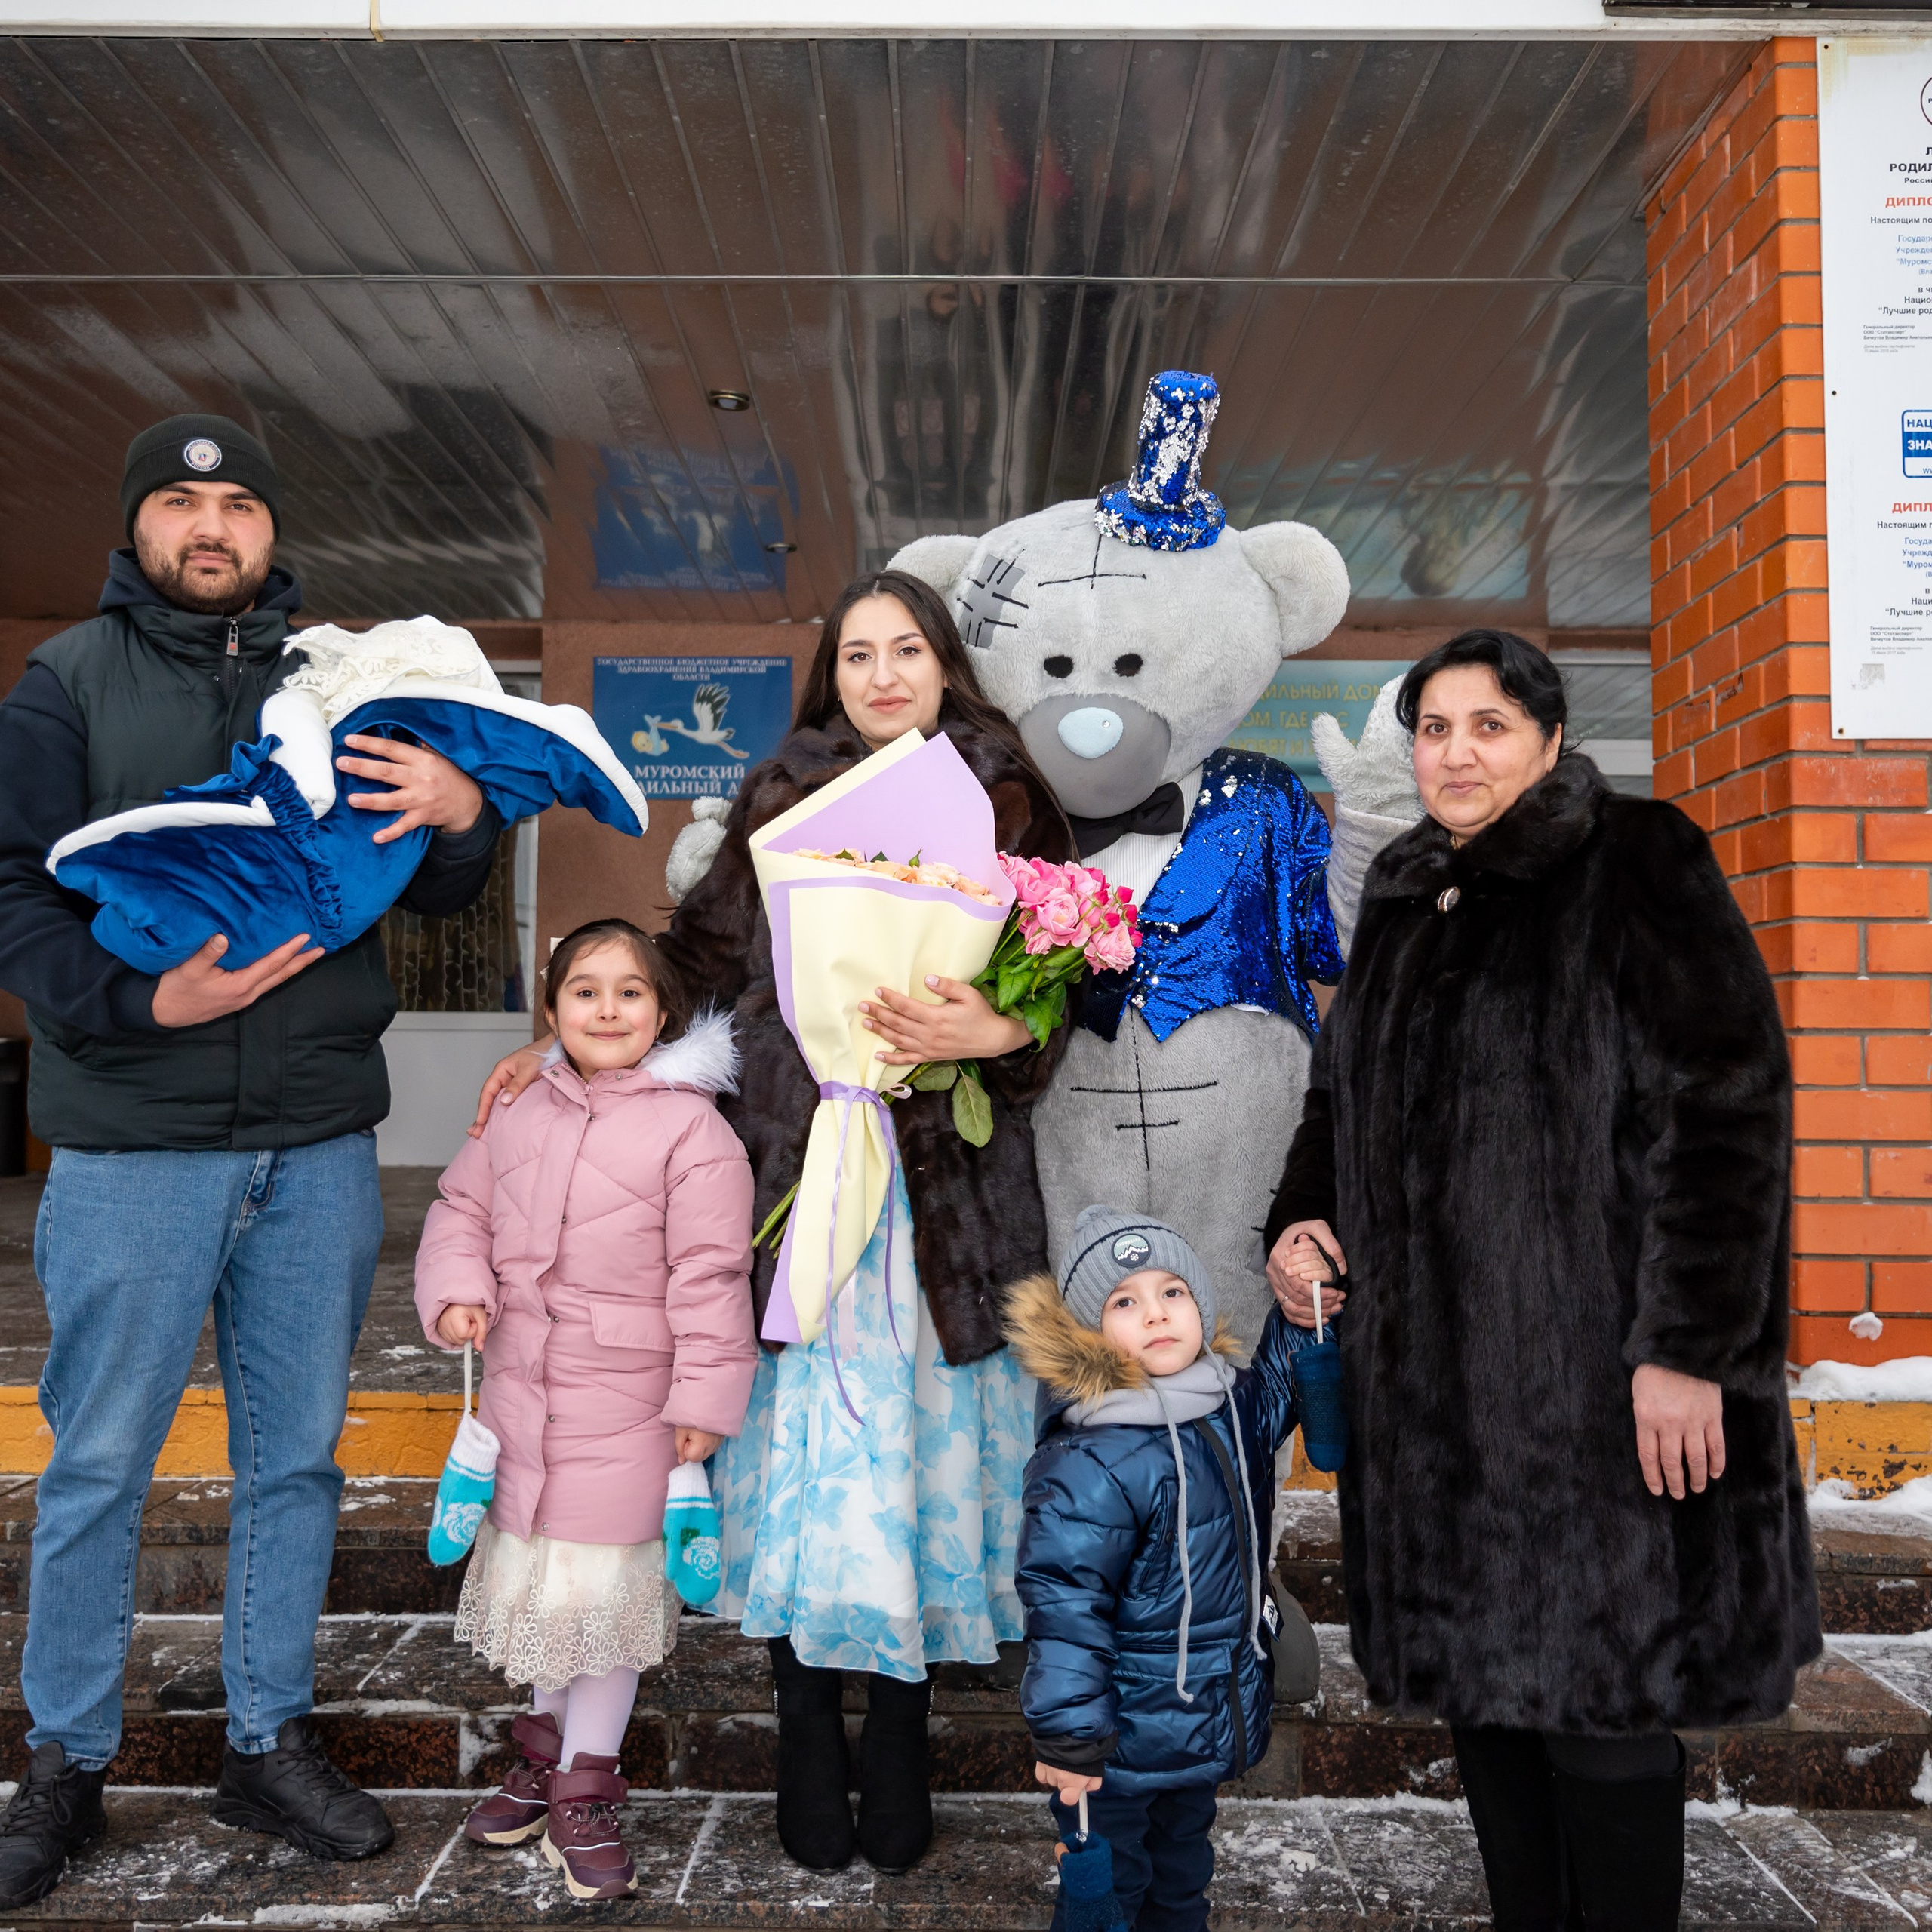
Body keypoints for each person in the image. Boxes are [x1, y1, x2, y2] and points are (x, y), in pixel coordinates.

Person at [471, 569, 1076, 1875]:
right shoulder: (783, 794)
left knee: (918, 1459)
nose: (880, 675)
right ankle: (807, 1725)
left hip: (942, 1201)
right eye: (855, 654)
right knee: (806, 1460)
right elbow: (694, 959)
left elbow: (1065, 977)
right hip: (796, 1189)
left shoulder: (1010, 798)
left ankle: (901, 1732)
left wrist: (1005, 1025)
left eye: (904, 649)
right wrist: (564, 1033)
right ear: (830, 675)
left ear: (944, 663)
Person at [0, 414, 503, 1902]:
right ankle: (66, 1761)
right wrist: (138, 997)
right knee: (98, 1464)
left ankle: (266, 1740)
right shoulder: (64, 683)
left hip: (318, 1140)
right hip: (134, 1139)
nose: (209, 525)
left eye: (235, 504)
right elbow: (14, 890)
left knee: (295, 1463)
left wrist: (468, 815)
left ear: (271, 531)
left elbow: (441, 856)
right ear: (138, 528)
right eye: (179, 501)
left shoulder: (340, 680)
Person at [1263, 629, 1819, 1929]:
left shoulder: (1638, 860)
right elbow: (1341, 1101)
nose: (1455, 752)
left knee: (1606, 1716)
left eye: (1488, 725)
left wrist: (1687, 1351)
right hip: (1440, 1401)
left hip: (1596, 1388)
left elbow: (1729, 1111)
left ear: (1553, 740)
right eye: (1434, 727)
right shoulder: (1403, 892)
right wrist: (1304, 1220)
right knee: (1492, 1717)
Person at [416, 918, 755, 1902]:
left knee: (600, 1601)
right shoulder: (520, 1110)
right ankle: (545, 1749)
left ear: (663, 1011)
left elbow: (710, 1275)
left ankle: (585, 1790)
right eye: (585, 992)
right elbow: (461, 1211)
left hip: (631, 1400)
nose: (607, 1010)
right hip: (525, 1393)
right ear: (552, 1010)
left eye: (630, 993)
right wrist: (457, 1290)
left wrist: (702, 1399)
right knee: (541, 1593)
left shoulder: (693, 1130)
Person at [1006, 1208, 1303, 1932]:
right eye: (1125, 1302)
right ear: (1090, 1331)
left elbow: (1282, 1385)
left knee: (1182, 1884)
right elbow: (1065, 1609)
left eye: (1173, 1292)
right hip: (1115, 1744)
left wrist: (1304, 1309)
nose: (1156, 1314)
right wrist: (1071, 1739)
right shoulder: (1090, 1457)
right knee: (1112, 1891)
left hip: (1199, 1722)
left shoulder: (1227, 1407)